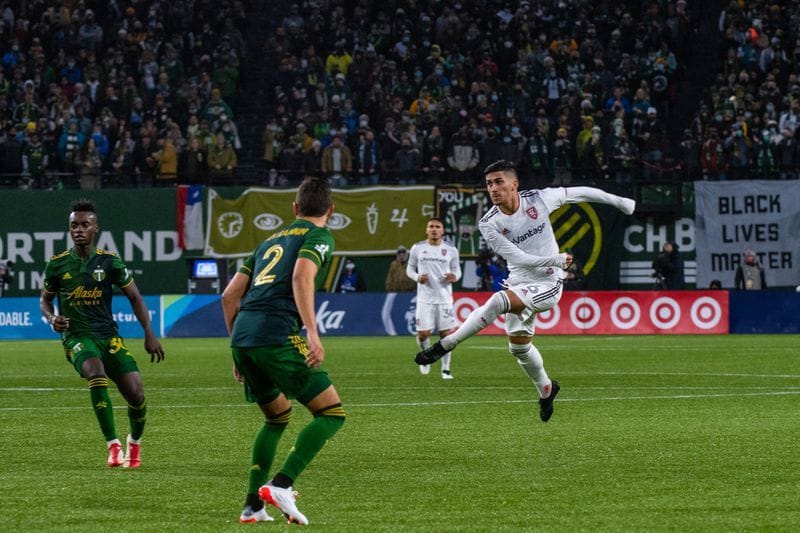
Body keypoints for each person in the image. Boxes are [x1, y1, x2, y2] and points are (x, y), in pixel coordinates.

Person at [415, 160, 635, 422]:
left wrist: (619, 202)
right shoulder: (489, 223)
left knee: (498, 301)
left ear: (514, 184)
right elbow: (518, 258)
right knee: (519, 347)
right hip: (520, 279)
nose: (493, 188)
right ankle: (546, 388)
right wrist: (555, 258)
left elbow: (582, 192)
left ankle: (446, 344)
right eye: (489, 184)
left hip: (548, 283)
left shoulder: (540, 200)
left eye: (499, 182)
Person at [221, 177, 345, 525]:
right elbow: (301, 277)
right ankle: (281, 485)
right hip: (276, 332)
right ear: (330, 211)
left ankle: (252, 506)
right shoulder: (318, 235)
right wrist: (313, 331)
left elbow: (229, 296)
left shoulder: (268, 241)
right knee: (332, 413)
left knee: (276, 417)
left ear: (294, 209)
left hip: (243, 335)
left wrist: (237, 348)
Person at [39, 199, 165, 468]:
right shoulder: (57, 264)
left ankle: (134, 442)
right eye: (74, 225)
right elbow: (45, 300)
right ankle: (113, 445)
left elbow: (135, 297)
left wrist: (149, 334)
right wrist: (52, 319)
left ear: (95, 227)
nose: (79, 230)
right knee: (95, 373)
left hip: (108, 336)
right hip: (77, 337)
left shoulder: (110, 262)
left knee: (137, 395)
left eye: (85, 224)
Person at [407, 218, 462, 379]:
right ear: (426, 230)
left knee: (446, 335)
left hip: (445, 298)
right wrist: (417, 277)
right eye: (431, 226)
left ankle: (446, 369)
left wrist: (454, 277)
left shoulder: (451, 250)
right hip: (425, 299)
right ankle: (425, 359)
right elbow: (409, 269)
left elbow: (457, 271)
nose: (434, 229)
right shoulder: (418, 248)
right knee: (423, 334)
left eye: (437, 227)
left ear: (442, 230)